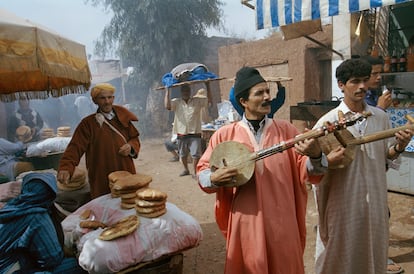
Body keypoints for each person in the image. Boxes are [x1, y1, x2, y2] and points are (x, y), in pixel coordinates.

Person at [196, 66, 327, 273]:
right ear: (243, 102)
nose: (267, 97)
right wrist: (214, 177)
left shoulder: (287, 131)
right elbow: (203, 172)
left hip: (283, 223)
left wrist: (316, 155)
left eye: (268, 91)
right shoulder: (224, 135)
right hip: (246, 224)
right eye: (259, 93)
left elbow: (309, 172)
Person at [313, 58, 413, 274]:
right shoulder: (327, 123)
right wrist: (327, 161)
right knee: (340, 258)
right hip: (343, 204)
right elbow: (313, 169)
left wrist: (401, 145)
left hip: (375, 203)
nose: (361, 87)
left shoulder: (380, 117)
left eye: (364, 81)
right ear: (341, 84)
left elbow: (386, 157)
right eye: (354, 81)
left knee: (373, 255)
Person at [57, 83, 141, 199]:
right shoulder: (87, 124)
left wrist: (130, 147)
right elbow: (75, 147)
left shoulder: (123, 117)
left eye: (110, 97)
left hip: (125, 169)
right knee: (105, 207)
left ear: (113, 98)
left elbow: (134, 138)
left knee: (129, 202)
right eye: (102, 98)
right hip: (101, 173)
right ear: (95, 100)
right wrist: (66, 166)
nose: (107, 101)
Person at [361, 55, 403, 274]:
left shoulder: (376, 95)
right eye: (374, 74)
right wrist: (379, 109)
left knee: (380, 212)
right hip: (362, 166)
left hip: (377, 165)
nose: (378, 78)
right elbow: (364, 130)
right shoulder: (364, 101)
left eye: (380, 73)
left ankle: (378, 255)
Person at [0, 172, 86, 273]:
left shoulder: (10, 207)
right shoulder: (37, 216)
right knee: (76, 265)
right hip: (10, 270)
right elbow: (51, 260)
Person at [164, 84, 208, 177]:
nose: (186, 93)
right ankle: (186, 170)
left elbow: (209, 102)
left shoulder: (197, 101)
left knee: (196, 155)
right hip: (182, 133)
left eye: (187, 91)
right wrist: (167, 90)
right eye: (184, 91)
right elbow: (167, 106)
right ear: (181, 92)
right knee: (183, 155)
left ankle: (196, 173)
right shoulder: (176, 102)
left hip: (195, 133)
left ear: (190, 92)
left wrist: (208, 85)